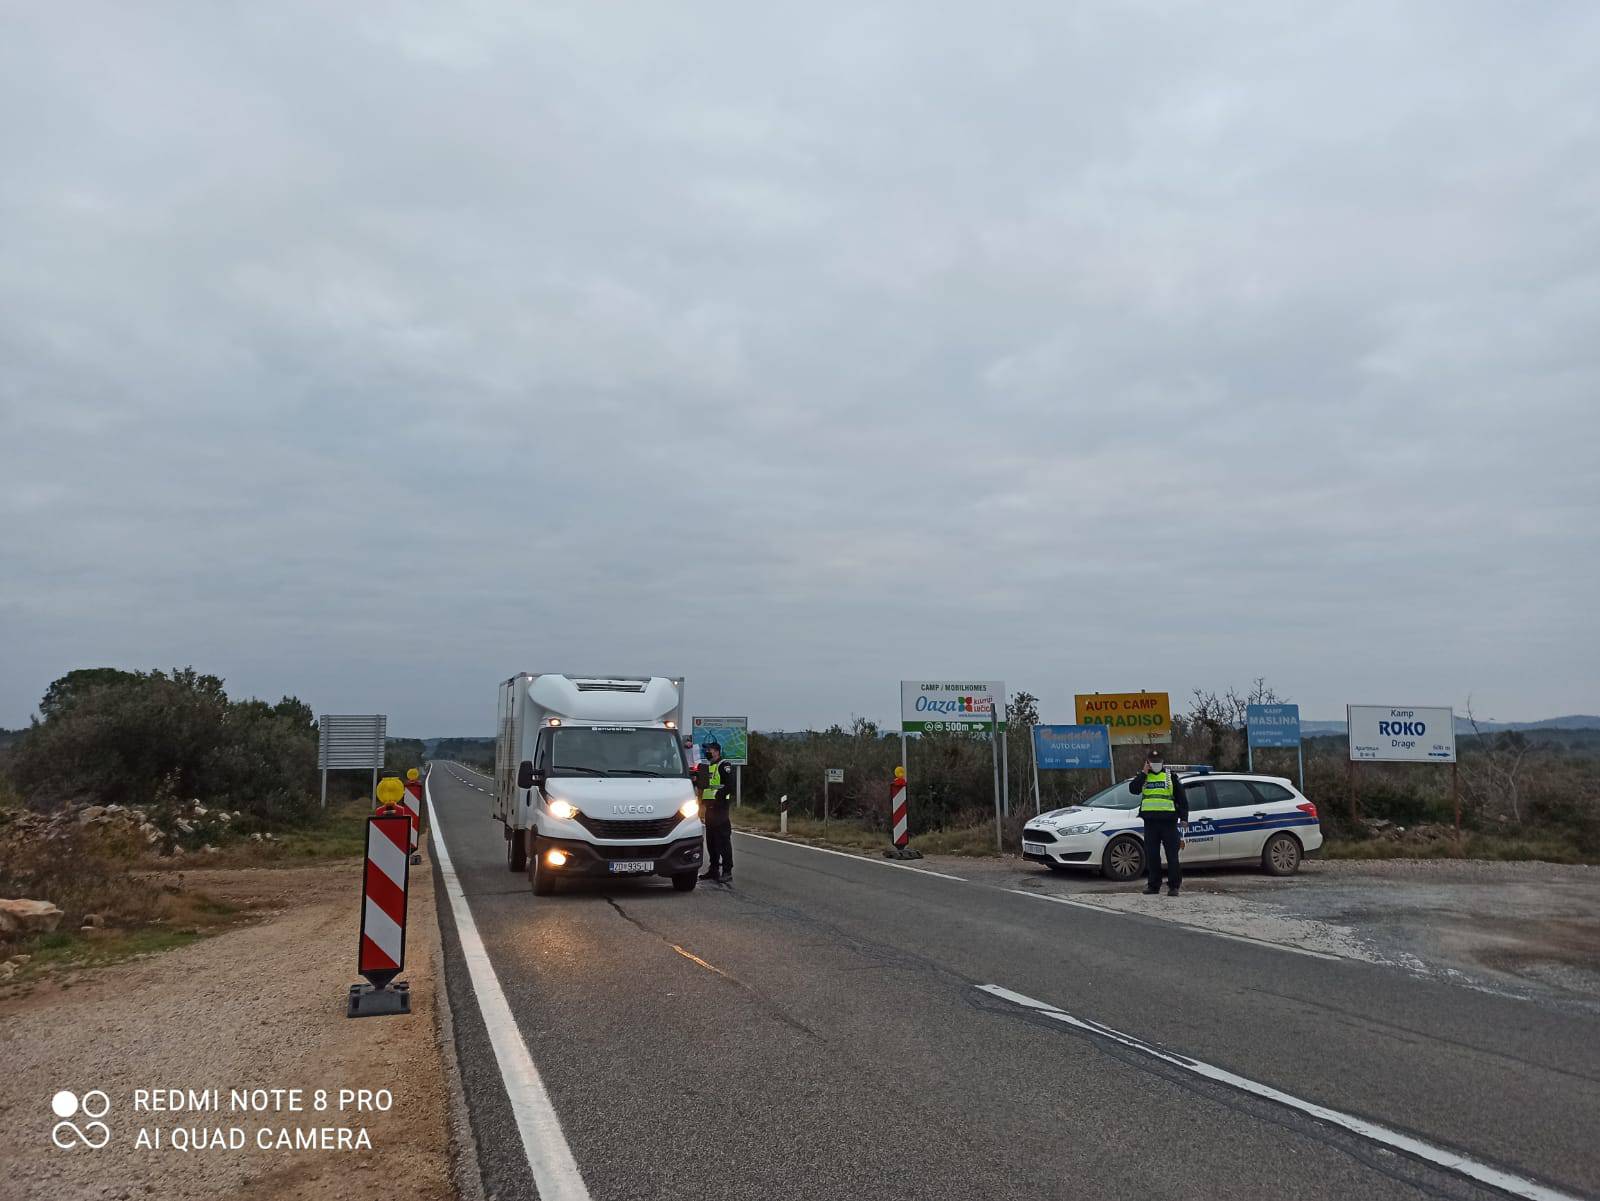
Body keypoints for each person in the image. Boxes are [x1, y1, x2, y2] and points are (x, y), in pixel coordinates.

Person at [1129, 747, 1188, 896]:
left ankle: (1174, 886)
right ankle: (1153, 885)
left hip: (1168, 822)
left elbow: (1182, 798)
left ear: (1162, 762)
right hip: (1150, 823)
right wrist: (1143, 773)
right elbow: (1133, 789)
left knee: (1172, 856)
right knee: (1152, 856)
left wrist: (1184, 818)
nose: (1155, 764)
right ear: (1147, 762)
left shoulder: (1170, 777)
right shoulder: (1144, 776)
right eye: (1152, 762)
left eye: (1158, 761)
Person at [696, 740, 734, 882]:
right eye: (706, 749)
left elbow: (729, 785)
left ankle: (727, 871)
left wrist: (719, 796)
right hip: (709, 808)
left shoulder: (724, 765)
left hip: (720, 808)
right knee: (711, 841)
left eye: (709, 750)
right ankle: (713, 869)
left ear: (717, 751)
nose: (707, 752)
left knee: (723, 840)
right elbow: (706, 785)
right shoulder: (709, 766)